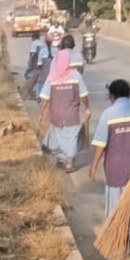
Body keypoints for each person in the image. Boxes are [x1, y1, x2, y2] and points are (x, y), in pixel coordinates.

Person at [88, 78, 130, 237]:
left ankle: (115, 230)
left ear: (112, 96)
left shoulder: (108, 115)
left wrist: (93, 166)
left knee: (116, 201)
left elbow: (101, 143)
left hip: (114, 168)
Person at [39, 42, 91, 172]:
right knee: (71, 138)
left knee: (57, 138)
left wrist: (41, 112)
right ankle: (68, 162)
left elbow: (45, 98)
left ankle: (62, 158)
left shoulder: (52, 78)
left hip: (56, 114)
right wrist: (87, 107)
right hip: (71, 114)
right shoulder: (76, 76)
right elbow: (84, 94)